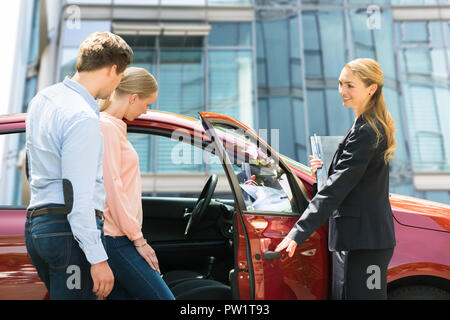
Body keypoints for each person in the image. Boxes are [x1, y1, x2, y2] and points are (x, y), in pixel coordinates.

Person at [276, 58, 397, 300]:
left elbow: (338, 188)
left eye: (350, 85)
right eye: (341, 84)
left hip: (366, 242)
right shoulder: (361, 125)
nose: (342, 91)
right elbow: (349, 180)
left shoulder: (367, 131)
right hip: (355, 238)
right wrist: (323, 173)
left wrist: (298, 232)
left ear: (371, 88)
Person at [24, 31, 133, 300]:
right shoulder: (82, 116)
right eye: (121, 76)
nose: (118, 83)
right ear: (112, 69)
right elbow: (76, 193)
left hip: (38, 227)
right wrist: (97, 258)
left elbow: (30, 166)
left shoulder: (42, 100)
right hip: (68, 232)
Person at [98, 67, 175, 300]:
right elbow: (113, 190)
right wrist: (139, 241)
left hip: (119, 237)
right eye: (147, 103)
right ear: (133, 97)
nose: (145, 111)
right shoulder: (106, 127)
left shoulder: (113, 127)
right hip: (115, 239)